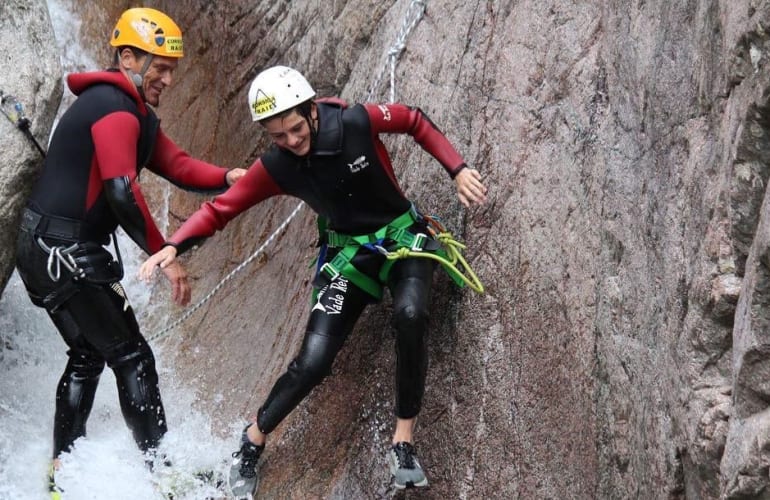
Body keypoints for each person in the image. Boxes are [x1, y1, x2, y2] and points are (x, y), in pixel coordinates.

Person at [140, 65, 487, 490]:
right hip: (348, 257)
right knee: (313, 361)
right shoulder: (276, 166)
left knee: (412, 314)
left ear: (311, 111)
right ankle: (252, 440)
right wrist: (174, 244)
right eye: (277, 136)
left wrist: (458, 168)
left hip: (402, 238)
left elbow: (412, 120)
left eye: (294, 129)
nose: (290, 142)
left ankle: (403, 441)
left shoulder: (355, 122)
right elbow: (221, 209)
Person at [14, 7, 245, 473]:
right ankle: (165, 474)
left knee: (88, 355)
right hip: (68, 252)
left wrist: (230, 176)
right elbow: (122, 190)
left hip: (40, 248)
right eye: (160, 68)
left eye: (172, 70)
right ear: (127, 58)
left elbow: (179, 167)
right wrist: (167, 255)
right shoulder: (112, 108)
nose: (168, 80)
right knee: (133, 356)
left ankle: (60, 471)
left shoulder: (127, 110)